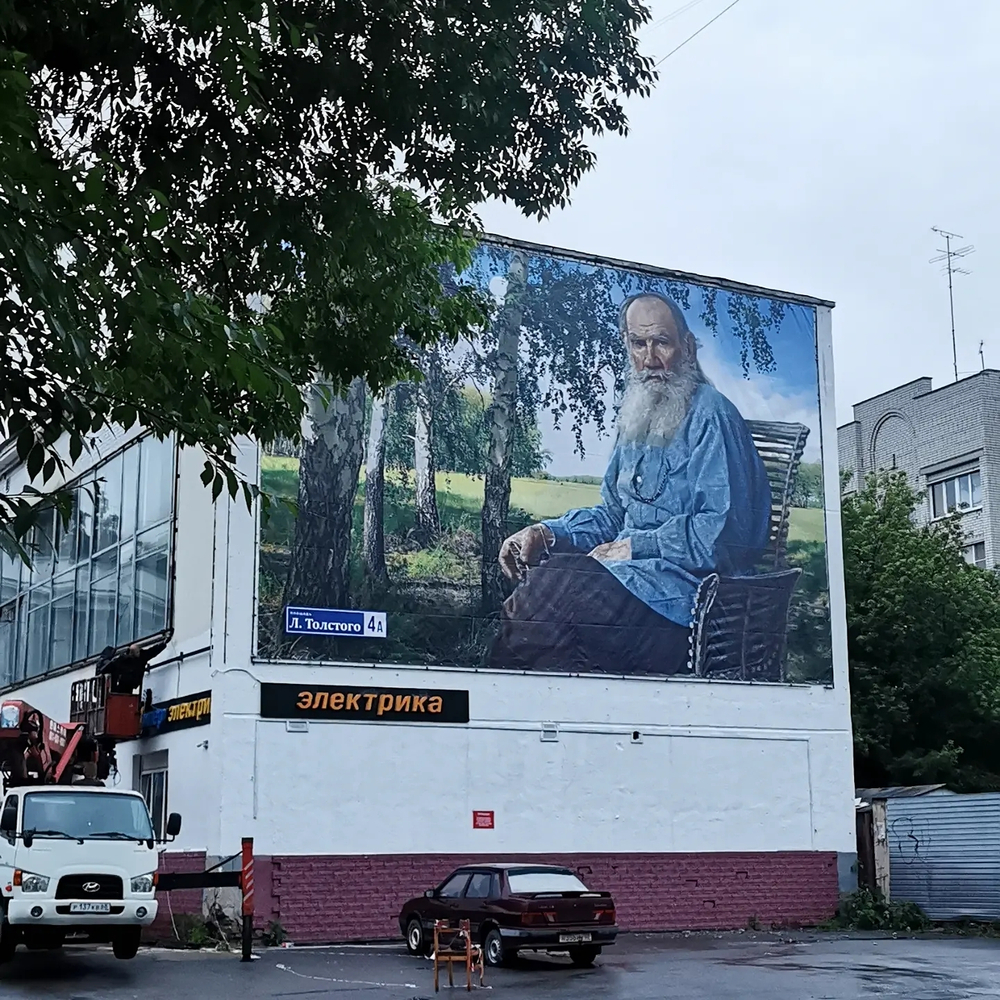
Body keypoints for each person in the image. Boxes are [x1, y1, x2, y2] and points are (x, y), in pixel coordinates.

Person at [489, 291, 772, 676]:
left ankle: (493, 707)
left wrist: (637, 546)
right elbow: (612, 513)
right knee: (549, 596)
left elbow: (726, 534)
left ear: (687, 347)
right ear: (628, 347)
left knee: (556, 590)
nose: (650, 358)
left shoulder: (712, 414)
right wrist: (547, 533)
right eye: (639, 344)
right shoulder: (638, 416)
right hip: (629, 592)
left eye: (661, 342)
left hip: (687, 608)